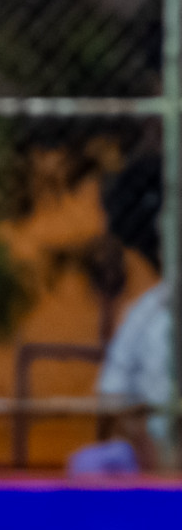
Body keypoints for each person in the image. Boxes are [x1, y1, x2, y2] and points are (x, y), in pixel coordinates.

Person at [96, 155, 172, 469]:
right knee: (91, 465)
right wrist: (150, 452)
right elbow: (112, 392)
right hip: (156, 452)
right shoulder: (146, 313)